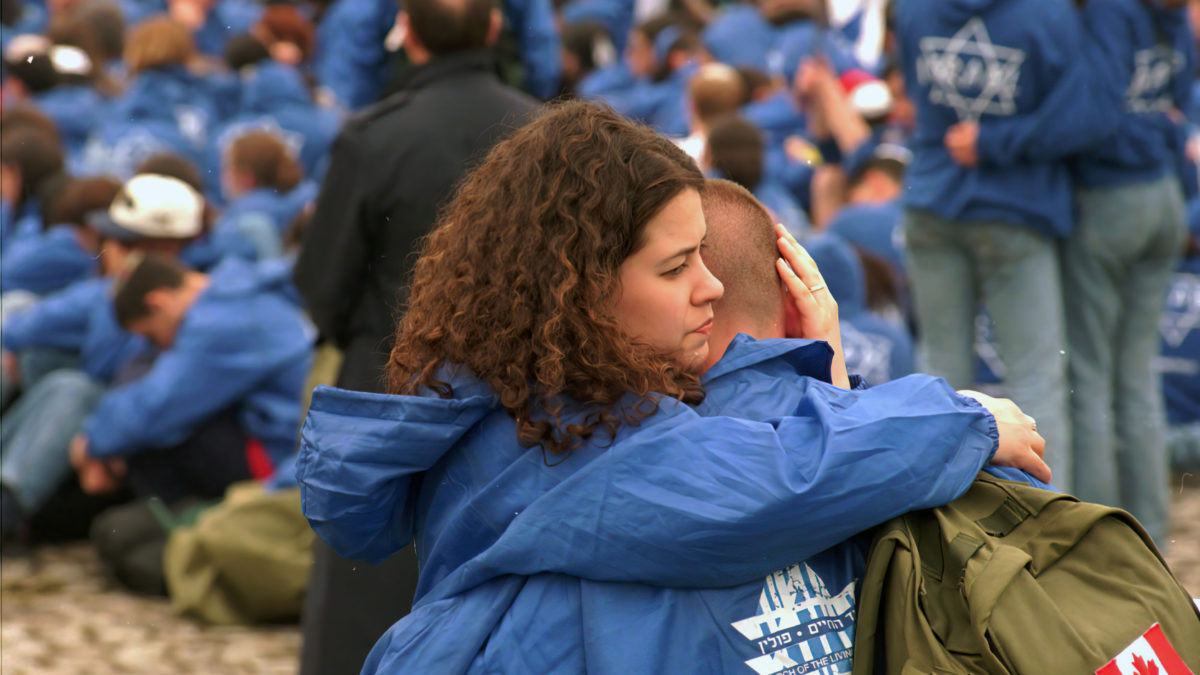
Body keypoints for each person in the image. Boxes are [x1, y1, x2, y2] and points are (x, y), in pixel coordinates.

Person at [296, 101, 1049, 672]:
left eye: (704, 256)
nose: (711, 287)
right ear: (580, 290)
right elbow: (765, 482)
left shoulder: (526, 406)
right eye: (674, 267)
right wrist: (961, 418)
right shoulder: (555, 443)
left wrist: (826, 382)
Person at [290, 0, 539, 668]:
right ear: (494, 27)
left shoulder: (373, 135)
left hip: (389, 386)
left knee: (365, 605)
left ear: (406, 32)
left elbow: (321, 286)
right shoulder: (545, 135)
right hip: (518, 396)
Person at [68, 252, 314, 502]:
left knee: (159, 438)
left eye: (150, 337)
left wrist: (91, 440)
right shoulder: (237, 290)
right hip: (297, 437)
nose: (158, 347)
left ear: (159, 302)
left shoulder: (217, 324)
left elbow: (158, 404)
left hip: (284, 455)